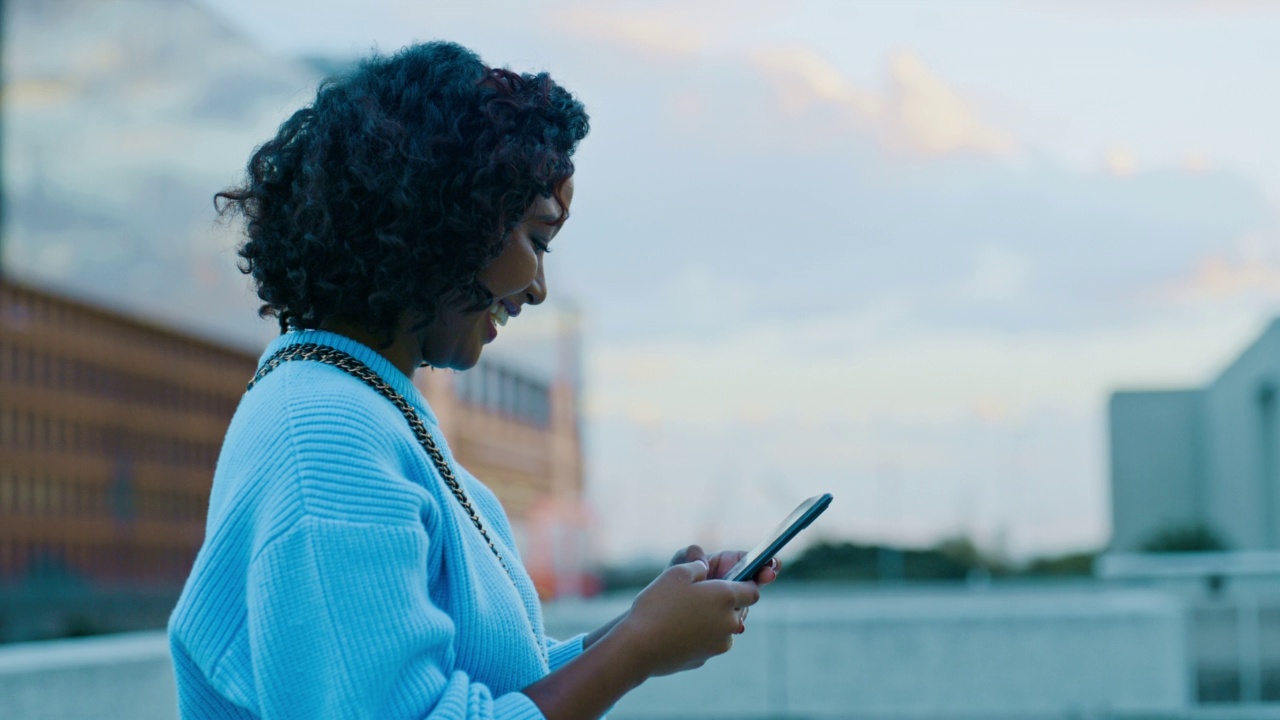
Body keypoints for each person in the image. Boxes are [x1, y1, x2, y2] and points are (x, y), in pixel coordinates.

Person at [168, 41, 778, 720]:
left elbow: (479, 692)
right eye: (537, 240)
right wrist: (635, 647)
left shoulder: (361, 408)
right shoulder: (325, 438)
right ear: (443, 219)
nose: (537, 289)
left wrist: (650, 626)